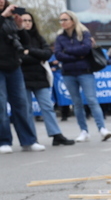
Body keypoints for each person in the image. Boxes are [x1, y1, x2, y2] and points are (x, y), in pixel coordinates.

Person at [53, 11, 111, 142]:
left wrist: (67, 51)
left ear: (72, 20)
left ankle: (102, 129)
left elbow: (85, 49)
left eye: (65, 19)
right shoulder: (59, 37)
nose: (62, 22)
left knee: (92, 100)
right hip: (68, 73)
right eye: (60, 20)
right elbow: (58, 54)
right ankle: (83, 131)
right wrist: (76, 55)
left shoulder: (84, 33)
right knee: (77, 103)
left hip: (85, 71)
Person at [18, 11, 73, 145]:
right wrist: (37, 57)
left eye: (29, 20)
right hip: (21, 77)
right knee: (26, 110)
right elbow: (19, 57)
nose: (27, 23)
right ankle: (30, 139)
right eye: (24, 20)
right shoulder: (15, 37)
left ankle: (56, 135)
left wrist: (29, 51)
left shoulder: (38, 37)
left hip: (39, 77)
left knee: (48, 106)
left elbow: (48, 54)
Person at [0, 0, 44, 152]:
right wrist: (3, 16)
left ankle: (29, 140)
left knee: (21, 104)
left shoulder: (9, 19)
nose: (1, 0)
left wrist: (19, 27)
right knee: (1, 106)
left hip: (14, 67)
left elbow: (25, 42)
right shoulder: (4, 17)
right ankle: (4, 141)